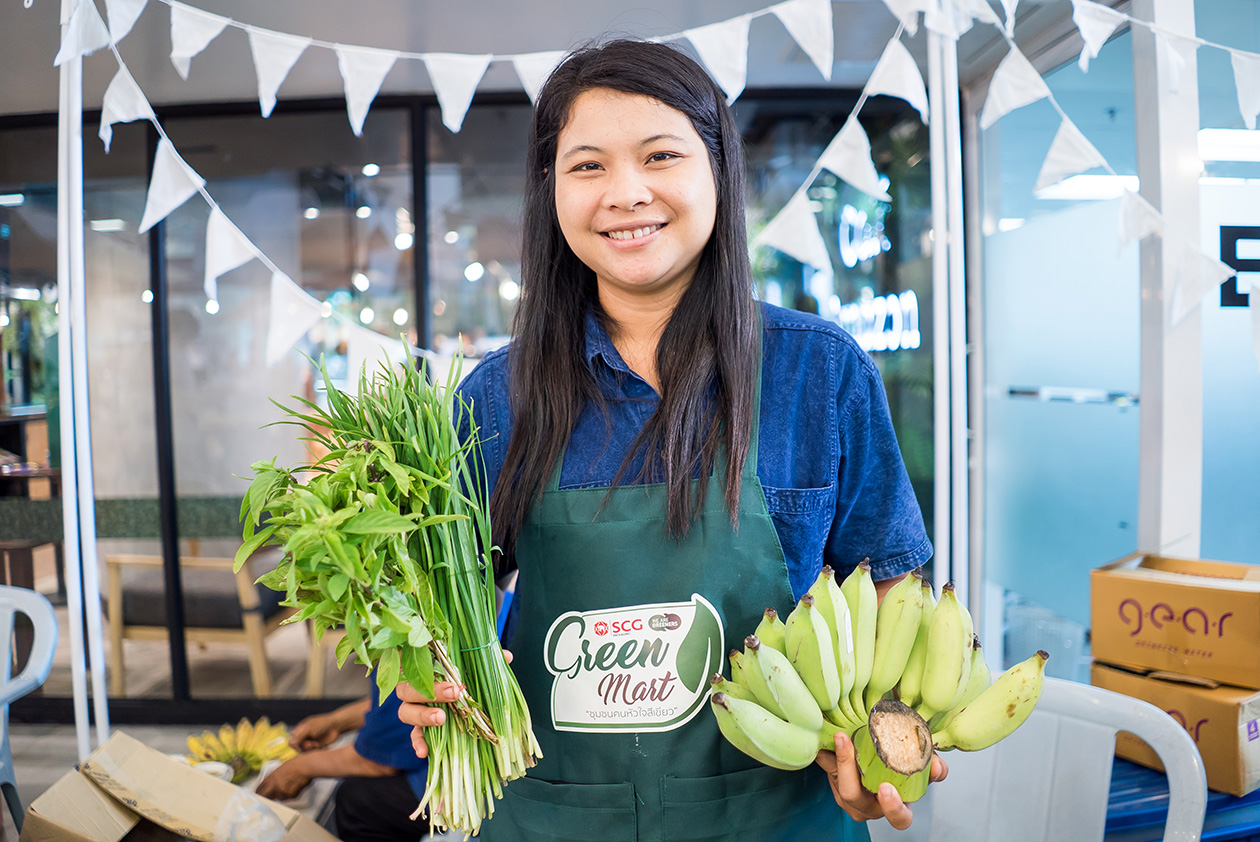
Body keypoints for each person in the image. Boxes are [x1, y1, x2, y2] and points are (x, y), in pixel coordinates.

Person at [396, 38, 943, 842]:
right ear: (550, 191)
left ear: (717, 169)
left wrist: (883, 747)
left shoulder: (818, 374)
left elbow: (894, 592)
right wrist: (428, 681)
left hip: (777, 815)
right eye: (587, 166)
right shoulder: (495, 399)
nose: (626, 193)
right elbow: (443, 611)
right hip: (556, 817)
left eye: (660, 155)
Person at [256, 689, 427, 842]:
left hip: (440, 789)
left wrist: (301, 768)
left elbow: (382, 761)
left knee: (356, 801)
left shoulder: (400, 654)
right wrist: (337, 721)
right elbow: (400, 698)